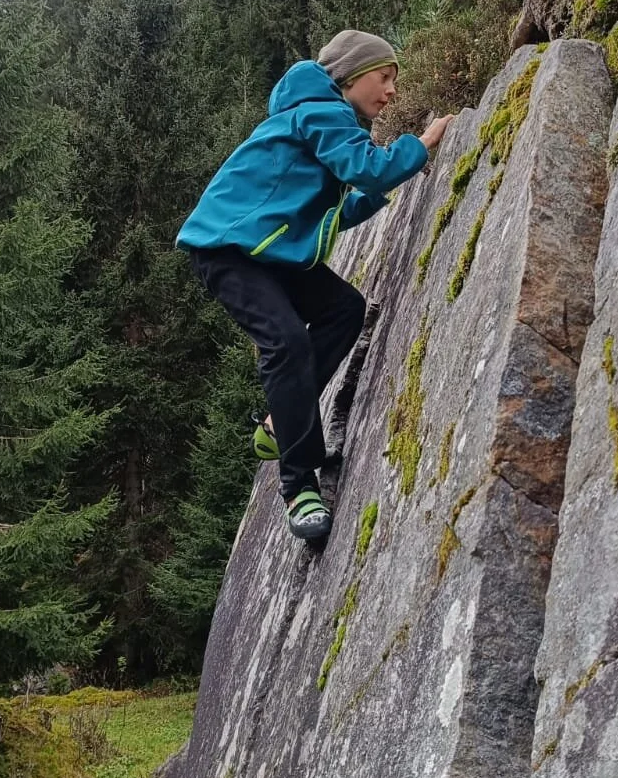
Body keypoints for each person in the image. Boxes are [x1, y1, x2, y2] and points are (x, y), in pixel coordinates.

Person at [178, 29, 453, 542]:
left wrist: (383, 188)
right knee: (285, 341)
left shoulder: (318, 119)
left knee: (344, 309)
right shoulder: (321, 111)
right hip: (229, 250)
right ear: (350, 75)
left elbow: (334, 212)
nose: (391, 90)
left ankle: (281, 423)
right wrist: (420, 145)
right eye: (384, 76)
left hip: (269, 252)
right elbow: (367, 170)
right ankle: (298, 486)